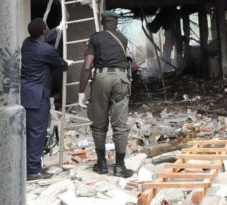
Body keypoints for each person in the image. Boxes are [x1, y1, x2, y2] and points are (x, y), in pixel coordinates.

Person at [78, 10, 138, 177]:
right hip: (121, 79)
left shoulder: (95, 38)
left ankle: (102, 164)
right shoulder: (123, 39)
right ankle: (119, 166)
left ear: (102, 22)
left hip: (102, 78)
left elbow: (87, 66)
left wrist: (81, 92)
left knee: (99, 124)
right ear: (116, 23)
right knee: (120, 125)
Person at [20, 18, 71, 181]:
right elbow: (61, 65)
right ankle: (33, 170)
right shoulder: (46, 51)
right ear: (43, 32)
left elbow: (43, 41)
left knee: (29, 132)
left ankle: (29, 165)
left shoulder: (26, 44)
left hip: (26, 93)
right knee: (37, 132)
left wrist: (56, 29)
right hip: (38, 96)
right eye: (47, 28)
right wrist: (67, 63)